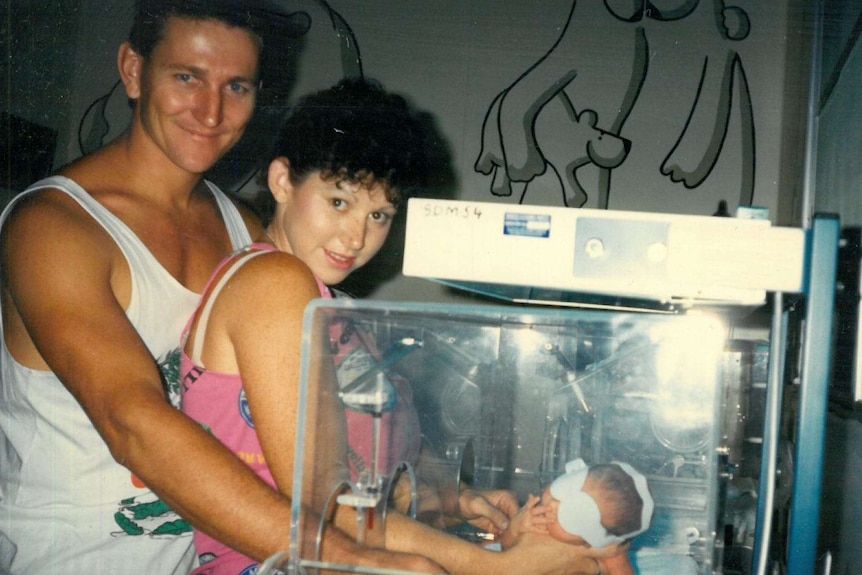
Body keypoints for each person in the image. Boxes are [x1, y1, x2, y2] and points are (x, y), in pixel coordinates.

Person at [0, 3, 437, 574]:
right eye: (187, 77)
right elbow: (134, 421)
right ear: (133, 71)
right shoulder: (53, 227)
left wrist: (437, 496)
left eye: (237, 86)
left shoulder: (245, 228)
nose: (211, 111)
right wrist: (352, 557)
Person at [179, 77, 617, 575]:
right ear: (282, 181)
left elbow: (376, 478)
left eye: (380, 214)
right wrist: (495, 567)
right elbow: (326, 508)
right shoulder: (273, 281)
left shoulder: (333, 307)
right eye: (339, 202)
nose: (356, 236)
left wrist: (457, 501)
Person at [499, 459, 654, 575]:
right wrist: (514, 528)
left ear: (591, 542)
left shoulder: (607, 551)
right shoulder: (534, 517)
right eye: (563, 488)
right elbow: (505, 551)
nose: (553, 504)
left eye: (570, 514)